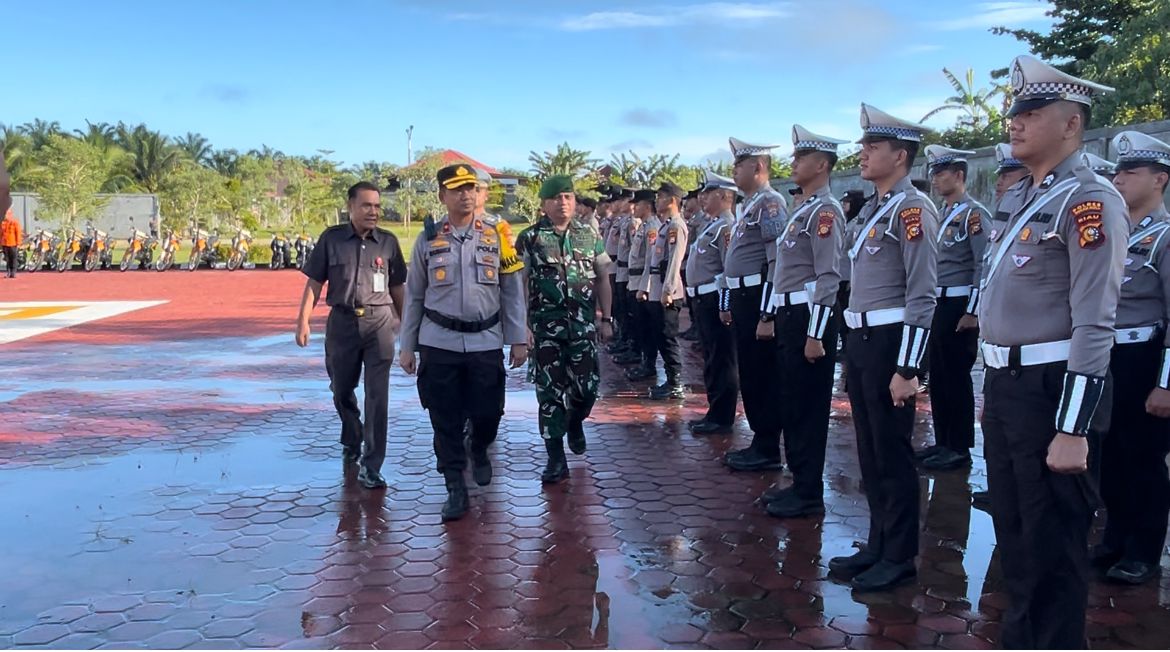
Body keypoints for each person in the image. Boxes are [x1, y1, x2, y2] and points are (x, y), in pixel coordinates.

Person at [977, 55, 1125, 648]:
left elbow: (1096, 321)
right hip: (1010, 388)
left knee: (1054, 543)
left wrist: (1074, 428)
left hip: (1054, 390)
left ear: (1071, 124)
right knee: (1015, 534)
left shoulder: (1089, 201)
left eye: (1032, 113)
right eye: (1015, 113)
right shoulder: (1028, 198)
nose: (1015, 124)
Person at [828, 104, 938, 592]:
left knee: (893, 452)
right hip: (863, 339)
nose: (864, 154)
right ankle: (877, 542)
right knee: (869, 452)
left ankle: (900, 555)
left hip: (892, 342)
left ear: (900, 155)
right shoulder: (876, 208)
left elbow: (923, 293)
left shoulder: (914, 210)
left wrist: (909, 365)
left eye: (874, 147)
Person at [397, 164, 528, 521]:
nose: (465, 195)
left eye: (470, 188)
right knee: (444, 419)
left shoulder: (497, 235)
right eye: (456, 189)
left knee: (488, 413)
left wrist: (518, 338)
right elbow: (414, 297)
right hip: (439, 343)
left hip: (486, 340)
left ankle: (480, 446)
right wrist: (407, 345)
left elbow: (512, 292)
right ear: (442, 196)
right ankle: (455, 485)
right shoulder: (427, 239)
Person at [758, 125, 847, 519]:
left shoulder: (826, 212)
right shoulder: (805, 210)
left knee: (808, 406)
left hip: (809, 318)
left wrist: (816, 334)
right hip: (790, 314)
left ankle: (809, 491)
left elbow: (829, 277)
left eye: (801, 158)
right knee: (792, 401)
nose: (793, 164)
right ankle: (799, 481)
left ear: (822, 164)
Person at [296, 181, 408, 490]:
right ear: (351, 207)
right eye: (366, 205)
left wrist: (409, 329)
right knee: (341, 389)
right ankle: (351, 433)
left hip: (380, 324)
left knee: (377, 396)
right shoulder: (332, 239)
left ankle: (372, 465)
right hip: (342, 324)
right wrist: (302, 320)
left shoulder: (388, 242)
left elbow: (398, 287)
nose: (373, 211)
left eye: (376, 206)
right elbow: (315, 283)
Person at [1096, 130, 1170, 585]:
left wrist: (1166, 384)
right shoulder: (1114, 231)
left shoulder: (1164, 236)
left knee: (1143, 460)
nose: (1120, 179)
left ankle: (1143, 551)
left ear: (1160, 180)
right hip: (1106, 357)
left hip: (1144, 359)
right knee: (1108, 454)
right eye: (1118, 171)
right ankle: (1114, 540)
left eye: (1131, 171)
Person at [514, 175, 614, 483]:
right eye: (556, 197)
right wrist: (523, 327)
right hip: (545, 330)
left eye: (568, 196)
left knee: (587, 390)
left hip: (582, 328)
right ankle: (555, 458)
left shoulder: (589, 235)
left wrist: (606, 318)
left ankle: (575, 421)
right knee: (549, 394)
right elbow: (520, 284)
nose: (563, 202)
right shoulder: (530, 238)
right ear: (544, 204)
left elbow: (602, 278)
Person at [917, 145, 990, 472]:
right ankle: (944, 440)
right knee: (939, 375)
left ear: (958, 176)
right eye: (933, 174)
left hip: (958, 304)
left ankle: (958, 446)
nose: (935, 180)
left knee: (956, 376)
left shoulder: (974, 215)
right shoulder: (941, 213)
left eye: (941, 173)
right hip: (938, 302)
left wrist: (972, 311)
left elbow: (982, 265)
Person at [721, 137, 787, 472]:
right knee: (751, 372)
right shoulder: (750, 204)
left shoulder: (771, 203)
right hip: (743, 296)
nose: (733, 171)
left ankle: (767, 447)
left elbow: (775, 263)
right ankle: (760, 440)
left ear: (758, 167)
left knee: (762, 375)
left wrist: (767, 313)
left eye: (738, 165)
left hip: (758, 296)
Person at [971, 144, 1030, 514]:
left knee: (1135, 454)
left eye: (1006, 174)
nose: (999, 183)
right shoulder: (1006, 222)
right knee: (1002, 454)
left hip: (1042, 363)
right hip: (999, 357)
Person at [687, 172, 740, 434]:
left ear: (725, 196)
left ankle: (722, 416)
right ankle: (714, 410)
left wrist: (725, 305)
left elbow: (728, 271)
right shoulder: (713, 225)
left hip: (715, 299)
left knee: (722, 360)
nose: (703, 198)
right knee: (710, 357)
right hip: (703, 299)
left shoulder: (726, 227)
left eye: (709, 193)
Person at [637, 182, 689, 399]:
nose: (656, 201)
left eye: (660, 197)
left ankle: (676, 382)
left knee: (668, 337)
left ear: (672, 200)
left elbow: (674, 262)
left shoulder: (677, 226)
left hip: (669, 291)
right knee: (660, 336)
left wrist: (667, 290)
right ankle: (670, 379)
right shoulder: (665, 226)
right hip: (658, 289)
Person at [626, 190, 662, 381]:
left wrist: (644, 287)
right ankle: (644, 362)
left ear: (647, 206)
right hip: (634, 280)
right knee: (639, 325)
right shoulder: (644, 226)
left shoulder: (652, 228)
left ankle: (649, 364)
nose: (634, 207)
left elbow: (651, 260)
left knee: (647, 328)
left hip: (642, 282)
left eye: (638, 204)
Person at [2, 208, 21, 278]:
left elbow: (18, 233)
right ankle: (8, 272)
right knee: (7, 259)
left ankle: (13, 273)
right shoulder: (3, 223)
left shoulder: (15, 222)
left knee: (13, 258)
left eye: (6, 214)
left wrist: (18, 243)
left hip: (13, 243)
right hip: (4, 244)